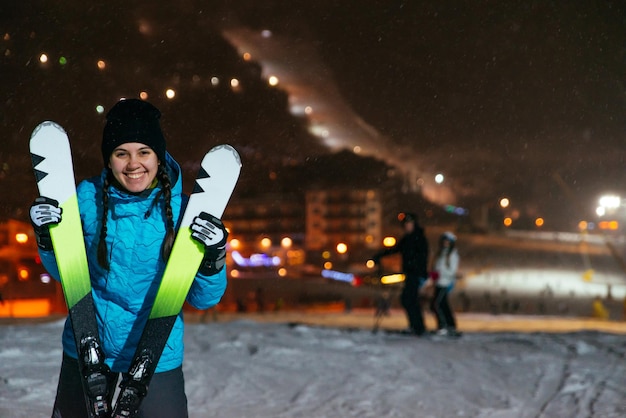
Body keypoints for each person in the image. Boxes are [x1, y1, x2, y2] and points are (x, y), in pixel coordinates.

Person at [29, 98, 228, 418]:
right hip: (89, 345)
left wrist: (213, 257)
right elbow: (66, 273)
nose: (133, 164)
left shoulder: (184, 213)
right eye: (122, 153)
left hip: (157, 351)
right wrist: (46, 239)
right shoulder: (86, 199)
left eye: (144, 152)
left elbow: (205, 299)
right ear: (109, 160)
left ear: (159, 156)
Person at [373, 212, 429, 335]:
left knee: (409, 299)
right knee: (408, 299)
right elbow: (395, 249)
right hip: (410, 273)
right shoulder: (407, 239)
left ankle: (418, 327)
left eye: (409, 224)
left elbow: (422, 257)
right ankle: (416, 326)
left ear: (414, 224)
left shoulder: (419, 238)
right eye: (406, 224)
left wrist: (416, 268)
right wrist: (379, 256)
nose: (407, 226)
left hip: (416, 274)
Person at [429, 231, 460, 336]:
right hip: (438, 283)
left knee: (436, 304)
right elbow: (434, 268)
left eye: (447, 242)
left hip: (445, 283)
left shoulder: (452, 255)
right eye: (444, 241)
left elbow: (452, 271)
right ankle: (450, 325)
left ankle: (442, 326)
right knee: (443, 304)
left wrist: (441, 273)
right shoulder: (440, 254)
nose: (445, 244)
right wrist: (433, 278)